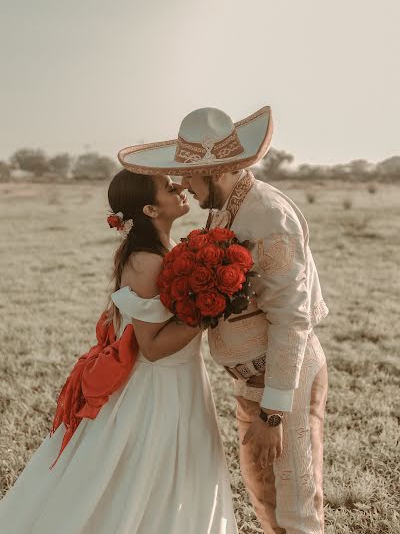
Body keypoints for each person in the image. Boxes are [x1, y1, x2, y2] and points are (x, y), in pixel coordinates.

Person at [117, 105, 329, 534]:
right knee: (265, 498)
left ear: (215, 172)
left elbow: (293, 319)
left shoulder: (266, 214)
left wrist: (273, 413)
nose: (183, 185)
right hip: (250, 378)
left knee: (295, 506)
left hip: (281, 380)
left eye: (190, 176)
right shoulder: (225, 207)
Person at [0, 168, 238, 534]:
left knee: (181, 475)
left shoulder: (168, 250)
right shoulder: (145, 261)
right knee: (138, 481)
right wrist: (211, 309)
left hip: (184, 378)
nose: (178, 187)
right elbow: (153, 347)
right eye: (166, 186)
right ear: (150, 210)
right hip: (156, 390)